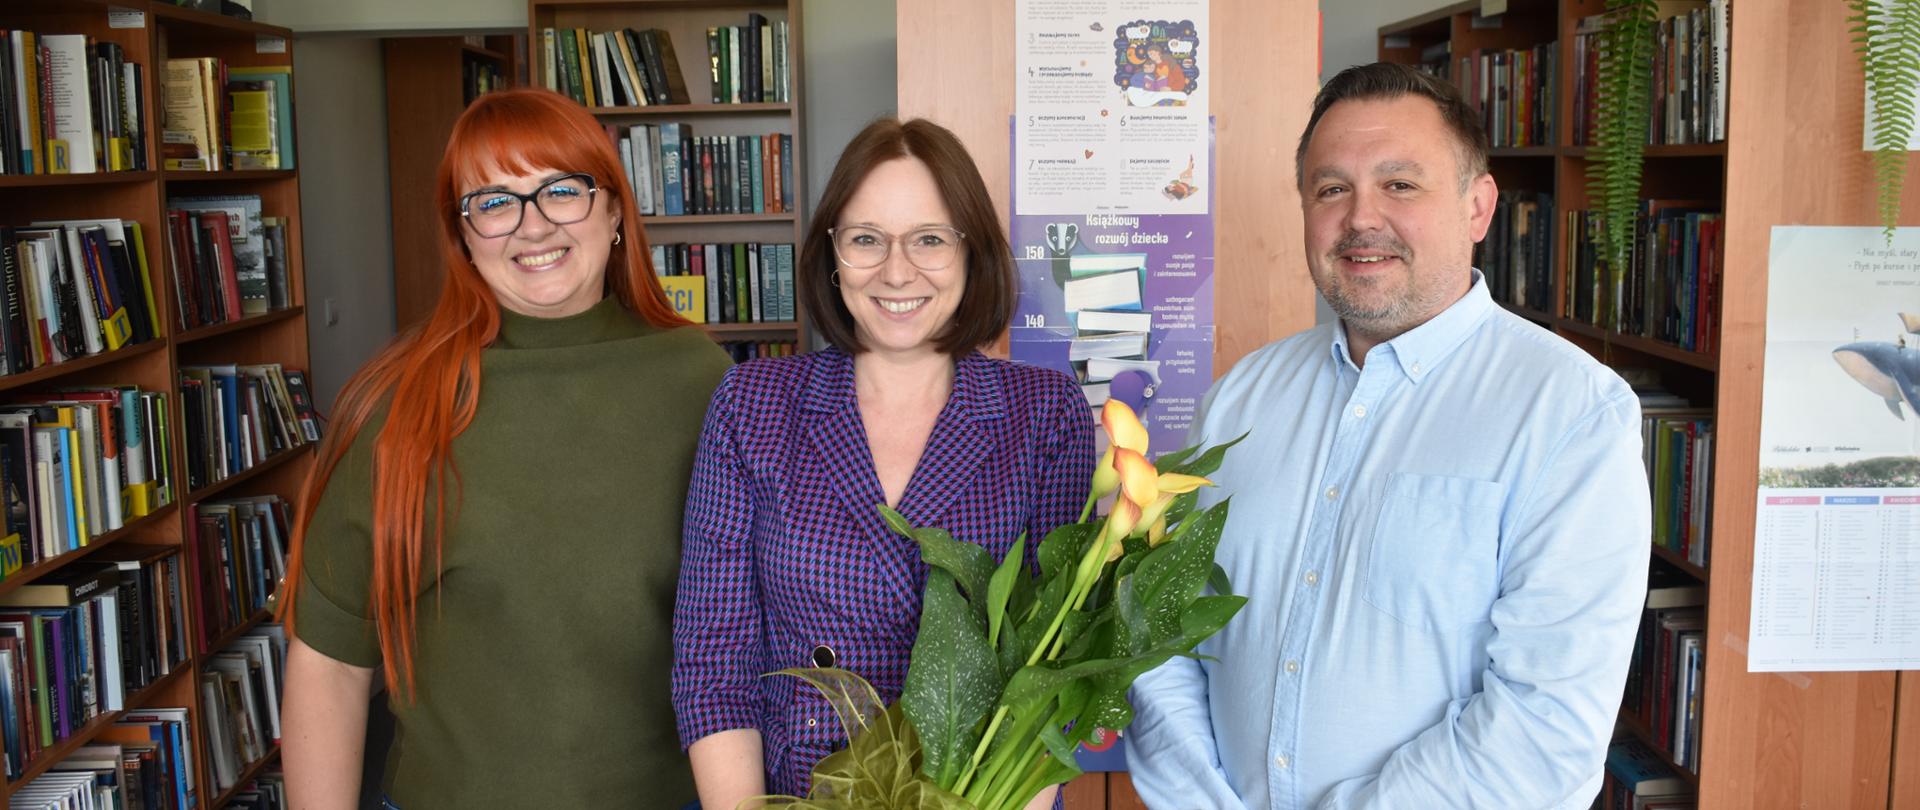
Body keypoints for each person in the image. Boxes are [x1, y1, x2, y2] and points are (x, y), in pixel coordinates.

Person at [1125, 62, 1651, 809]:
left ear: (1478, 206)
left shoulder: (1571, 413)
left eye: (1400, 185)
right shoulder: (1239, 400)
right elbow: (1160, 633)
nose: (1361, 218)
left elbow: (1543, 727)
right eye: (1331, 188)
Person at [279, 88, 731, 809]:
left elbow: (749, 631)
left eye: (561, 190)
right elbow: (331, 664)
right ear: (464, 237)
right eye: (493, 202)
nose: (532, 225)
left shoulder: (704, 381)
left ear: (614, 211)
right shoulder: (399, 402)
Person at [672, 117, 1095, 809]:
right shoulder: (753, 403)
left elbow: (1051, 668)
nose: (896, 271)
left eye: (929, 239)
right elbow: (713, 662)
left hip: (971, 795)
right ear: (832, 254)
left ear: (971, 252)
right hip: (792, 792)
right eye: (866, 239)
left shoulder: (1042, 413)